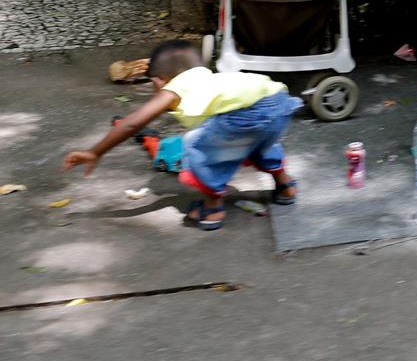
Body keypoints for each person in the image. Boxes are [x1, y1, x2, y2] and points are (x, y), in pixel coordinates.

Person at [63, 39, 301, 230]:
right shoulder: (209, 78)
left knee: (197, 147)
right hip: (279, 102)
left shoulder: (173, 88)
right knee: (259, 143)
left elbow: (131, 124)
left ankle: (212, 208)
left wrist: (95, 152)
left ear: (159, 80)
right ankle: (285, 185)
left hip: (248, 115)